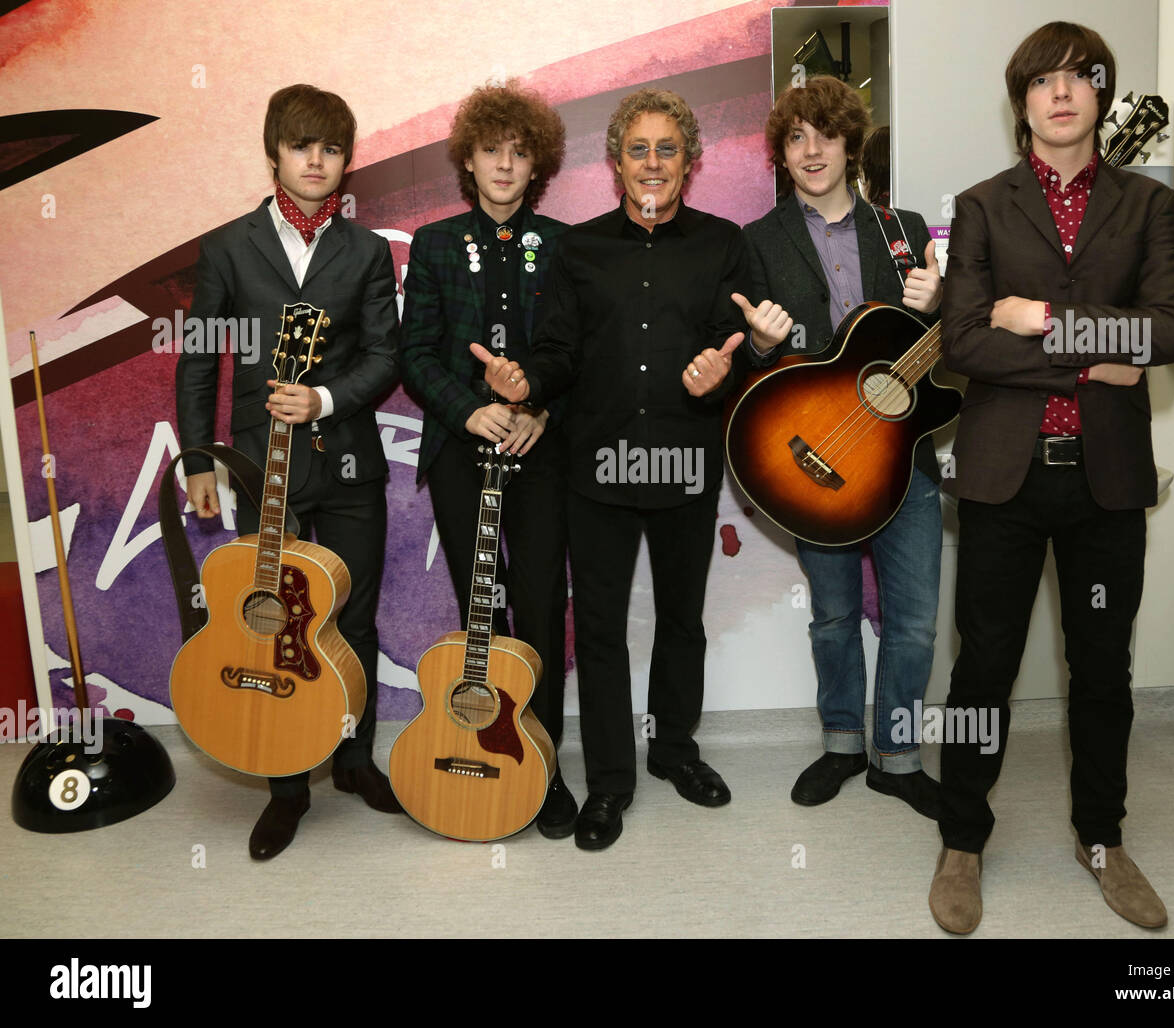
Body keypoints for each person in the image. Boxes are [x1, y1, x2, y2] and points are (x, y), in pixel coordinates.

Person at [929, 21, 1174, 933]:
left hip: (1107, 482)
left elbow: (1168, 334)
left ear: (1101, 93)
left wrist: (1043, 318)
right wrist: (1097, 356)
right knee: (981, 674)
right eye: (1042, 81)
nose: (1062, 91)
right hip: (1007, 476)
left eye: (1081, 76)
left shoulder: (1145, 206)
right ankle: (962, 840)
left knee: (1102, 673)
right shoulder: (982, 207)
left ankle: (1103, 842)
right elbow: (961, 345)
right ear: (1022, 103)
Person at [472, 88, 748, 850]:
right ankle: (610, 784)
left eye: (667, 149)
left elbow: (739, 341)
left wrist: (718, 373)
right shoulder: (578, 248)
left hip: (686, 463)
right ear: (615, 161)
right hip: (594, 469)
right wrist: (527, 381)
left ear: (688, 162)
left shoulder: (724, 243)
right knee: (596, 632)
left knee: (682, 622)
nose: (652, 163)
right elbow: (559, 350)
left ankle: (674, 752)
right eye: (638, 149)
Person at [177, 83, 403, 860]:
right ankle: (285, 786)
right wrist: (199, 458)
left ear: (347, 161)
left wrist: (326, 397)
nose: (317, 160)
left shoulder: (368, 251)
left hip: (347, 462)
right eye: (303, 145)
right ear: (274, 150)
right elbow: (200, 357)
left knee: (354, 619)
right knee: (269, 621)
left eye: (333, 148)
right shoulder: (230, 246)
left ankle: (354, 760)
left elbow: (385, 356)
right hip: (257, 468)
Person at [739, 77, 944, 816]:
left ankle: (896, 755)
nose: (812, 149)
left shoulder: (904, 228)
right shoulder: (757, 241)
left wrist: (939, 307)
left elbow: (934, 354)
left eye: (826, 133)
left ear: (851, 143)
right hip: (815, 460)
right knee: (831, 617)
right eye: (796, 136)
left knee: (914, 619)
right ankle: (840, 745)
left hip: (903, 460)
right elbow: (755, 371)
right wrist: (761, 349)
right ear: (782, 153)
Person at [398, 81, 575, 838]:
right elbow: (414, 355)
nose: (505, 165)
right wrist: (469, 409)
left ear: (537, 165)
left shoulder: (565, 244)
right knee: (483, 606)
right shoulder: (435, 244)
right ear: (467, 160)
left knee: (539, 602)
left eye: (519, 152)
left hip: (539, 448)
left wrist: (539, 409)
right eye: (491, 151)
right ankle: (484, 743)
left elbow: (576, 354)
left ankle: (546, 759)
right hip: (460, 448)